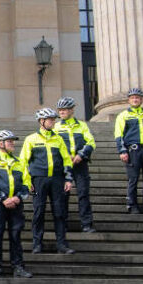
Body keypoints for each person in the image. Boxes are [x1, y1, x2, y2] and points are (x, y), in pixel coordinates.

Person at [20, 108, 74, 254]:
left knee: (60, 213)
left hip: (57, 179)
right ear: (41, 121)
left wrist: (68, 178)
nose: (53, 122)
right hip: (38, 180)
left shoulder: (58, 139)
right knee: (39, 212)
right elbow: (23, 162)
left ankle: (62, 244)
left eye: (53, 119)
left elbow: (67, 160)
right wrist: (27, 181)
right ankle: (37, 244)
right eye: (50, 119)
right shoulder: (31, 139)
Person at [0, 130, 30, 278]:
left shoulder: (19, 161)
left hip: (16, 204)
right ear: (0, 144)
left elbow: (27, 183)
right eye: (9, 141)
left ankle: (18, 266)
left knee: (16, 236)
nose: (12, 143)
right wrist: (3, 199)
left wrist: (18, 197)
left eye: (12, 141)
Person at [114, 87, 143, 214]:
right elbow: (119, 135)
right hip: (133, 151)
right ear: (129, 100)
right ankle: (132, 205)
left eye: (137, 97)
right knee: (133, 179)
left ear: (142, 100)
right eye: (133, 97)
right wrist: (122, 151)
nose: (135, 99)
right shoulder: (123, 116)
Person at [55, 97, 96, 232]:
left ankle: (87, 224)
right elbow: (54, 145)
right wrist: (66, 156)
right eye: (60, 110)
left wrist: (80, 155)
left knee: (83, 193)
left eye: (64, 110)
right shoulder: (56, 127)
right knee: (63, 195)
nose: (61, 112)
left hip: (80, 164)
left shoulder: (82, 125)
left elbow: (90, 142)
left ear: (72, 110)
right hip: (64, 166)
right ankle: (63, 224)